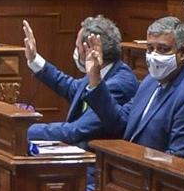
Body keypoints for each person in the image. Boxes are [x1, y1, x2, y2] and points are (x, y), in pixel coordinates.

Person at [83, 17, 184, 155]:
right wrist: (95, 78)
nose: (154, 56)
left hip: (152, 173)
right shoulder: (150, 81)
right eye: (150, 48)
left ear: (183, 53)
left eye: (163, 49)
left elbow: (179, 158)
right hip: (129, 166)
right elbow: (119, 122)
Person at [23, 16, 139, 146]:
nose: (76, 51)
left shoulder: (118, 84)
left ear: (89, 50)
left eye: (77, 46)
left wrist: (24, 130)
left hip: (96, 160)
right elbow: (71, 87)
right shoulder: (100, 71)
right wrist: (35, 60)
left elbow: (76, 131)